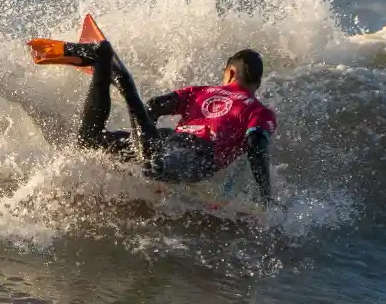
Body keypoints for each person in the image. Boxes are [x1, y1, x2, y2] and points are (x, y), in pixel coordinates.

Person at [30, 39, 277, 202]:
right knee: (153, 164)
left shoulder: (201, 91)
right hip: (195, 155)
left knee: (89, 140)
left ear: (230, 72)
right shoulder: (259, 110)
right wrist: (266, 198)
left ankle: (101, 65)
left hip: (169, 140)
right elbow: (256, 145)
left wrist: (141, 137)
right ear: (256, 82)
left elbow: (154, 107)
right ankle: (109, 64)